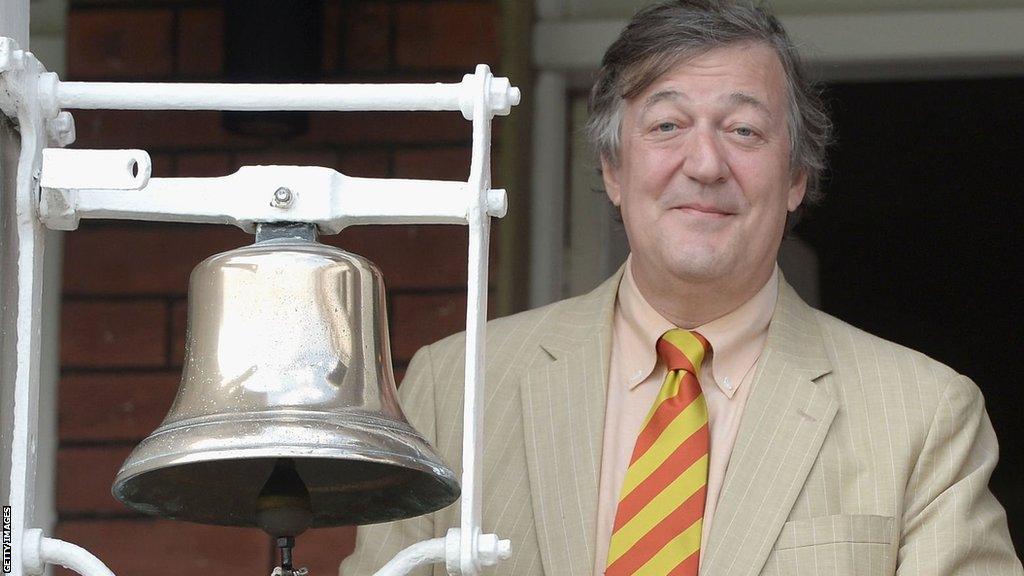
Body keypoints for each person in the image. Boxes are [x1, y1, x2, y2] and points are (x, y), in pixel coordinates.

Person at [341, 1, 1023, 574]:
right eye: (667, 126)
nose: (704, 164)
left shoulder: (924, 414)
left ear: (795, 179)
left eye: (744, 130)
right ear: (613, 168)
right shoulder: (456, 387)